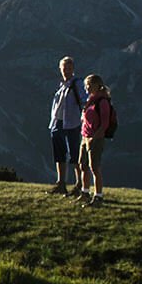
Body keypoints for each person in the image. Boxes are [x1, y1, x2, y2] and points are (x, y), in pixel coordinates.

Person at [47, 56, 85, 195]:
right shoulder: (62, 85)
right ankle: (61, 182)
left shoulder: (77, 84)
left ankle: (79, 184)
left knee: (75, 155)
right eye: (64, 68)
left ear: (73, 69)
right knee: (59, 153)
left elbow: (84, 101)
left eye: (69, 68)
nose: (66, 70)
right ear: (60, 69)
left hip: (72, 123)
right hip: (58, 122)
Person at [76, 74, 115, 207]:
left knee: (94, 167)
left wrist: (95, 137)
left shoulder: (102, 102)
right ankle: (85, 192)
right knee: (83, 165)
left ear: (97, 85)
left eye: (89, 85)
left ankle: (98, 196)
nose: (87, 87)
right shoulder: (91, 100)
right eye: (86, 85)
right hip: (85, 136)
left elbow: (104, 124)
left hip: (95, 138)